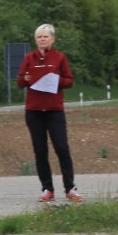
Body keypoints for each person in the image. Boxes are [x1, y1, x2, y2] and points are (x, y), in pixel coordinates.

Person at [16, 23, 81, 202]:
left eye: (45, 36)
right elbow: (20, 82)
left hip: (54, 111)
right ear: (35, 40)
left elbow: (69, 81)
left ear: (52, 39)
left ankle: (70, 188)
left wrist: (55, 80)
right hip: (34, 111)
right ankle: (47, 188)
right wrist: (26, 78)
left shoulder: (59, 58)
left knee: (62, 148)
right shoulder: (29, 58)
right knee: (40, 151)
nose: (42, 39)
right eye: (39, 37)